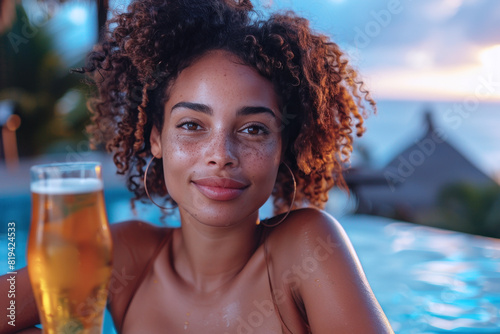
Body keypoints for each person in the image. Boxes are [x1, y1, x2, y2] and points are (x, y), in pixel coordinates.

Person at [0, 0, 394, 333]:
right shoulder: (125, 258)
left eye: (254, 129)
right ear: (156, 138)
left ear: (283, 148)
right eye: (192, 125)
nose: (220, 153)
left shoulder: (306, 249)